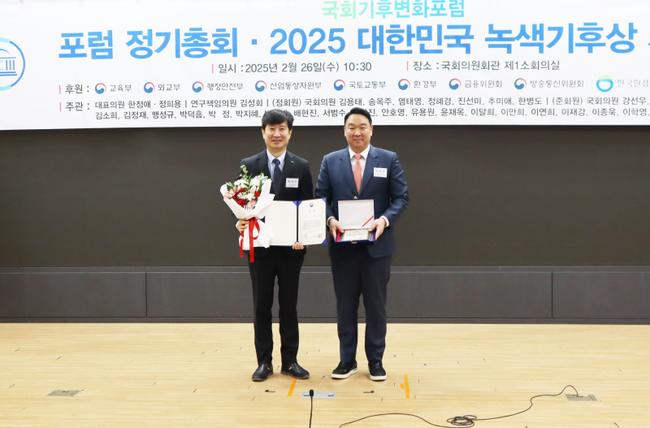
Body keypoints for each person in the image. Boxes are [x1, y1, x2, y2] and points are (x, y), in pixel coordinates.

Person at [315, 107, 408, 381]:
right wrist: (330, 219)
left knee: (376, 307)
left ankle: (376, 361)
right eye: (351, 127)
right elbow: (321, 197)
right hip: (342, 248)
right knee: (345, 306)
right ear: (344, 131)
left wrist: (384, 220)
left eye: (362, 127)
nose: (357, 132)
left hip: (377, 248)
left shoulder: (388, 159)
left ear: (371, 129)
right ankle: (347, 360)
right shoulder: (330, 161)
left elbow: (401, 198)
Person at [236, 109, 313, 382]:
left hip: (291, 250)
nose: (277, 134)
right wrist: (240, 222)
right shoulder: (249, 164)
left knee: (289, 306)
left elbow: (308, 207)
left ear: (290, 133)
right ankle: (263, 362)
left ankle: (290, 361)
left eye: (282, 129)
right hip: (260, 249)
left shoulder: (301, 166)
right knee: (261, 306)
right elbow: (241, 205)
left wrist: (303, 236)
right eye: (272, 129)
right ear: (263, 132)